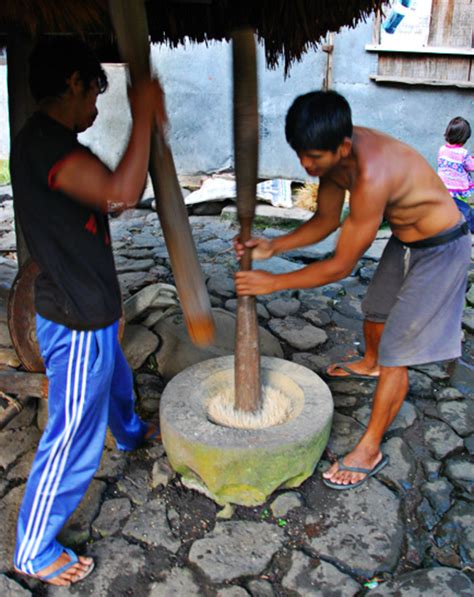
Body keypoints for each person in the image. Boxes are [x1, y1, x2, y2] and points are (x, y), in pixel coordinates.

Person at [234, 90, 471, 490]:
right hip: (407, 241)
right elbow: (326, 220)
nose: (307, 167)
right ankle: (371, 364)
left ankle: (370, 449)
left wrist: (274, 281)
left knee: (401, 351)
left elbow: (340, 266)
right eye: (300, 156)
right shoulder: (334, 153)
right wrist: (275, 245)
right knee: (376, 308)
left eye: (314, 159)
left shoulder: (373, 173)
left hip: (443, 248)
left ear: (342, 147)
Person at [10, 37, 165, 586]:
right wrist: (144, 117)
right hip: (75, 320)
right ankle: (32, 547)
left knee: (116, 378)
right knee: (72, 433)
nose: (97, 106)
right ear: (73, 82)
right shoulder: (50, 149)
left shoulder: (49, 142)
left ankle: (127, 432)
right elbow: (122, 194)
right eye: (95, 91)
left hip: (89, 307)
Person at [437, 116, 474, 231]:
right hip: (458, 188)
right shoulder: (463, 153)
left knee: (449, 206)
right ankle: (470, 227)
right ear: (465, 138)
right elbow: (471, 166)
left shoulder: (442, 149)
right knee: (464, 209)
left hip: (444, 186)